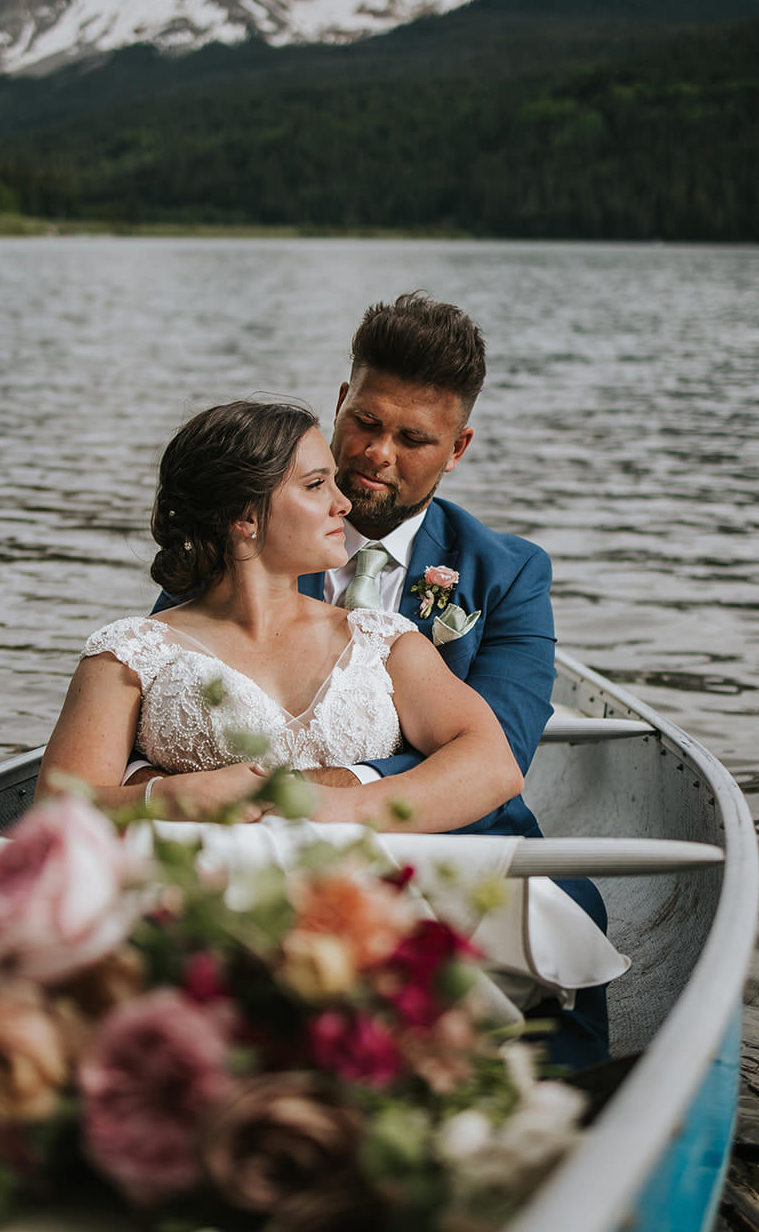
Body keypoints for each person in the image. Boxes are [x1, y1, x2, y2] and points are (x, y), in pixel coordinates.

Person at [135, 293, 611, 1067]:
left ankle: (570, 1112)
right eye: (364, 422)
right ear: (338, 404)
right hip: (256, 848)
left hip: (438, 834)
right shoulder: (242, 537)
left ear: (455, 449)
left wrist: (332, 788)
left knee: (567, 907)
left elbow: (501, 750)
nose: (376, 454)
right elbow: (170, 686)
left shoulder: (508, 572)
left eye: (412, 438)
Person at [37, 400, 523, 836]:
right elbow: (55, 809)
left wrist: (343, 807)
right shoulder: (130, 652)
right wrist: (169, 798)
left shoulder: (383, 641)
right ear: (244, 518)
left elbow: (494, 764)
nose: (344, 503)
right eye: (316, 485)